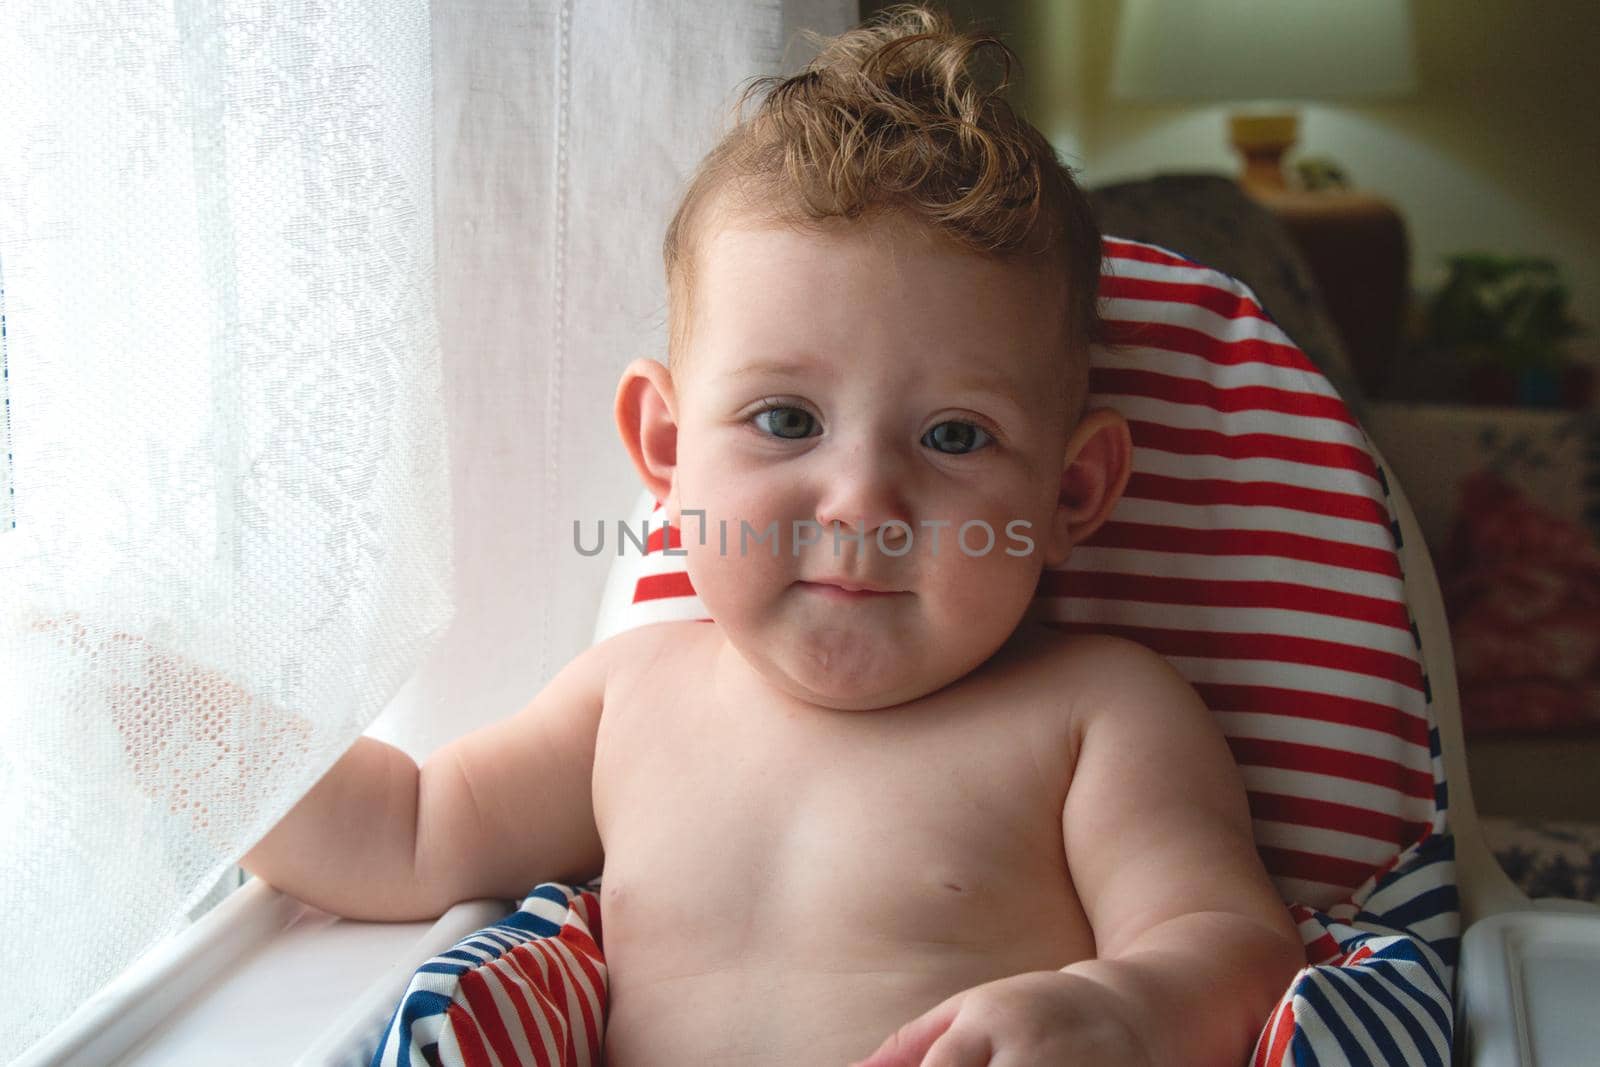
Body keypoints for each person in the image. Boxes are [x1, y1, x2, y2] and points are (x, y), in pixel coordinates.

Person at [243, 7, 1304, 1064]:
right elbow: (409, 830)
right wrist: (174, 737)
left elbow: (1236, 946)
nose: (859, 501)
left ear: (1072, 491)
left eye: (952, 435)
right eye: (787, 420)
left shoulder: (1097, 717)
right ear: (664, 447)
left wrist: (1124, 1006)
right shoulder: (629, 698)